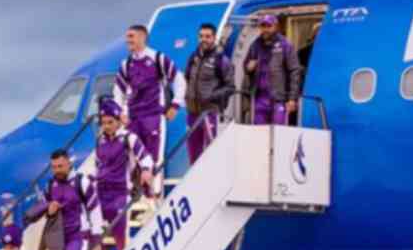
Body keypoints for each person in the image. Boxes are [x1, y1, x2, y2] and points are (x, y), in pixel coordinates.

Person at [112, 23, 186, 193]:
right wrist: (120, 113)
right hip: (134, 116)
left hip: (153, 115)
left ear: (142, 37)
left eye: (131, 36)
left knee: (153, 156)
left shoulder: (157, 58)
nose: (127, 40)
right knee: (132, 155)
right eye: (127, 37)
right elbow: (118, 90)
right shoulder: (126, 64)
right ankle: (133, 194)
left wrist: (175, 104)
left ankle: (153, 194)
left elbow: (179, 80)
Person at [88, 97, 153, 250]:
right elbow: (97, 166)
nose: (107, 126)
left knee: (120, 233)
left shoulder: (128, 138)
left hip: (120, 193)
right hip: (102, 192)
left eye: (110, 122)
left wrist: (145, 170)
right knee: (92, 229)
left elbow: (146, 157)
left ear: (118, 121)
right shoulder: (100, 141)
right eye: (104, 123)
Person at [185, 23, 235, 163]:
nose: (204, 39)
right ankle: (197, 184)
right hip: (192, 114)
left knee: (211, 155)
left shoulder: (221, 60)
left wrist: (212, 97)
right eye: (201, 36)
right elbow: (188, 78)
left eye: (207, 36)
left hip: (209, 114)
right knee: (193, 157)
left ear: (214, 38)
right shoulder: (193, 58)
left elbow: (231, 87)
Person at [244, 14, 302, 125]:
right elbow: (246, 65)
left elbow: (295, 71)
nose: (265, 29)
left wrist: (292, 98)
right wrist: (248, 67)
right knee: (258, 133)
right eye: (263, 26)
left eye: (268, 26)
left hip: (278, 99)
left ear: (276, 26)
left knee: (278, 133)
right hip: (259, 98)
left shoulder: (285, 45)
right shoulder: (255, 45)